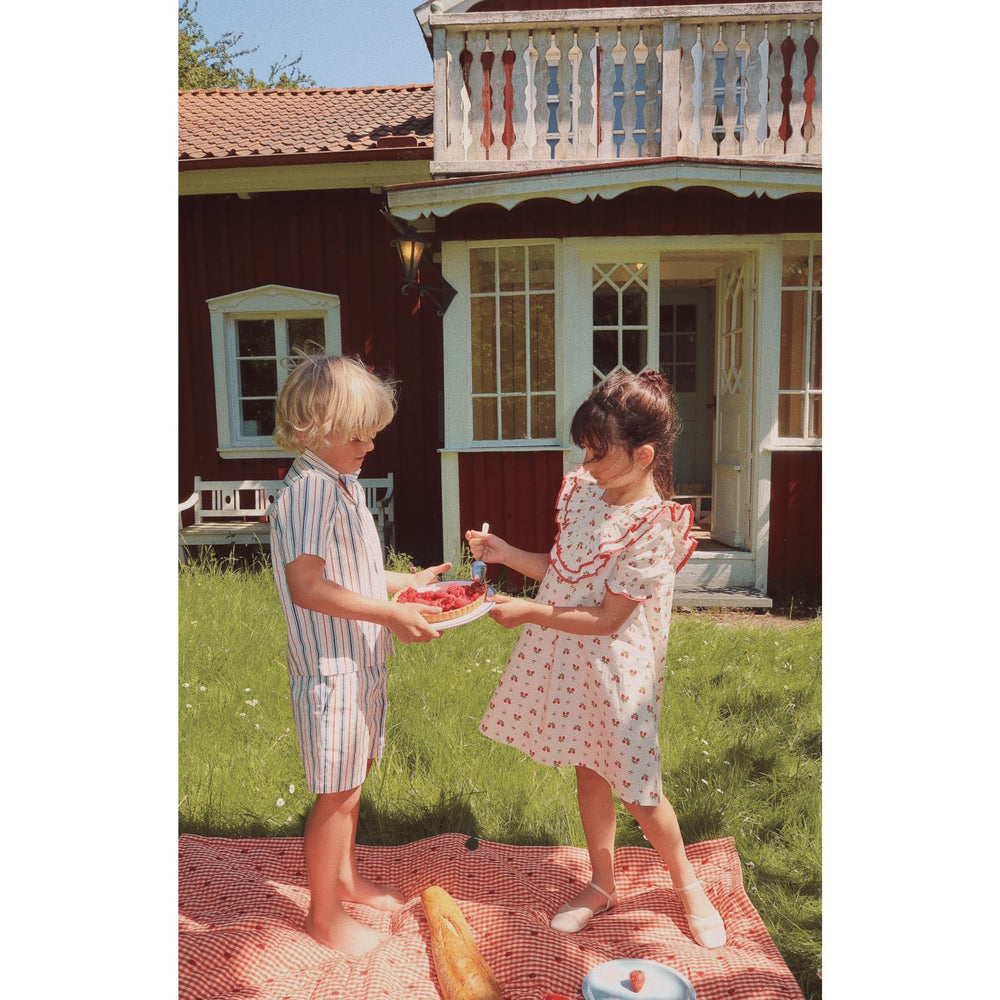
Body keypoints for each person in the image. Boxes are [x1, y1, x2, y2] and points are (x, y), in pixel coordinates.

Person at [465, 370, 726, 949]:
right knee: (588, 771)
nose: (586, 462)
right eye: (584, 448)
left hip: (619, 671)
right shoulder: (585, 493)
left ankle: (688, 886)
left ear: (643, 456)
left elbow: (609, 619)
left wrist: (530, 613)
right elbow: (563, 573)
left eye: (598, 452)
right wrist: (506, 554)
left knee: (638, 788)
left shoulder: (653, 526)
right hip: (572, 660)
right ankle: (601, 883)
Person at [269, 353, 450, 956]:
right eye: (357, 434)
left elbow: (354, 573)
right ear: (309, 429)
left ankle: (344, 878)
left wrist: (407, 585)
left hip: (360, 663)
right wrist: (391, 614)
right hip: (331, 671)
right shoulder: (306, 494)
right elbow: (307, 586)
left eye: (373, 432)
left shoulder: (340, 484)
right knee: (337, 792)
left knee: (354, 777)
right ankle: (323, 915)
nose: (370, 445)